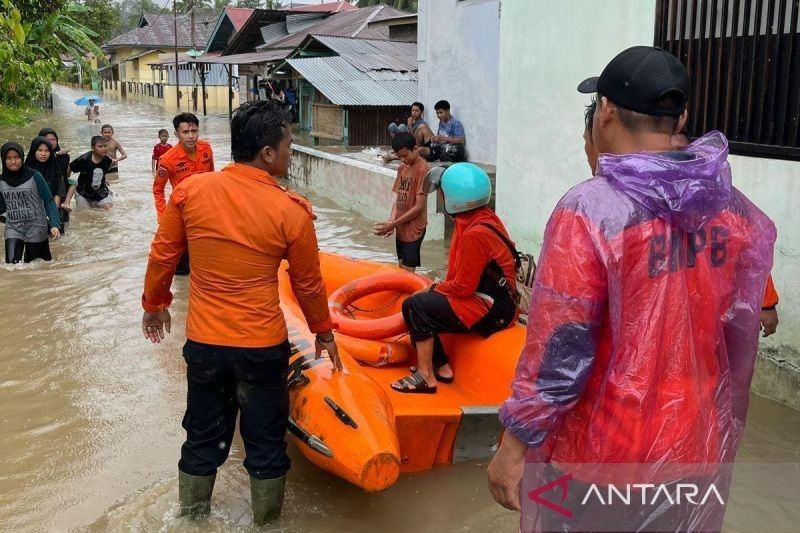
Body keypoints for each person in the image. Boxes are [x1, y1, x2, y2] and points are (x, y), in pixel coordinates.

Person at [488, 46, 776, 532]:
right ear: (680, 116)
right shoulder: (735, 211)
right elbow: (743, 328)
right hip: (697, 448)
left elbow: (561, 345)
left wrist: (513, 444)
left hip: (598, 457)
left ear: (604, 110)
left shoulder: (590, 210)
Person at [141, 100, 342, 526]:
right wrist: (324, 333)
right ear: (267, 153)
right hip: (261, 348)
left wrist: (154, 306)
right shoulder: (292, 210)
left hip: (205, 346)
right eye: (288, 146)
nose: (291, 154)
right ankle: (267, 524)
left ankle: (191, 520)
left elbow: (163, 256)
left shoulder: (191, 192)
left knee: (201, 439)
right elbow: (308, 285)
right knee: (266, 445)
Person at [391, 163, 517, 393]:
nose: (439, 196)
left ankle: (425, 376)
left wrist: (432, 289)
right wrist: (436, 289)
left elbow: (462, 288)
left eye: (442, 192)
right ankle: (442, 368)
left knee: (416, 305)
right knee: (420, 301)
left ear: (454, 197)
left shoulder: (475, 234)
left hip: (493, 309)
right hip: (493, 299)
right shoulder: (481, 218)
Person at [669, 127, 782, 338]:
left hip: (714, 323)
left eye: (681, 152)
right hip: (667, 324)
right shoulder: (645, 211)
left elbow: (753, 254)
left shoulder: (725, 208)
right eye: (668, 153)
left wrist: (766, 304)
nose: (675, 160)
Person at [153, 113, 214, 276]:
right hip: (183, 212)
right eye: (185, 132)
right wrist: (163, 215)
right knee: (182, 265)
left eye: (194, 131)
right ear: (176, 134)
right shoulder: (167, 159)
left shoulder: (206, 148)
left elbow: (212, 177)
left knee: (207, 257)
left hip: (206, 210)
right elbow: (158, 189)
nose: (191, 136)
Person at [373, 132, 430, 273]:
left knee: (407, 274)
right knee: (401, 271)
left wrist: (392, 224)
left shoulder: (423, 170)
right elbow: (398, 198)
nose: (403, 160)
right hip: (400, 227)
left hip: (414, 230)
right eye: (399, 157)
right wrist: (391, 221)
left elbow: (419, 207)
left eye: (405, 155)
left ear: (415, 149)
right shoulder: (402, 168)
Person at [0, 142, 61, 263]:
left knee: (34, 265)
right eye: (9, 158)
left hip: (37, 226)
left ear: (22, 158)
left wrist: (54, 224)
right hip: (13, 227)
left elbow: (49, 201)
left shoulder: (35, 176)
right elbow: (1, 207)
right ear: (3, 160)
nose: (13, 161)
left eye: (16, 157)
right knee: (12, 265)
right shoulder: (1, 181)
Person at [65, 135, 114, 210]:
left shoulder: (108, 160)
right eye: (100, 146)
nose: (103, 149)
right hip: (83, 191)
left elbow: (104, 172)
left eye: (105, 146)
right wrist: (66, 181)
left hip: (100, 191)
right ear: (92, 148)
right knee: (84, 213)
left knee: (108, 209)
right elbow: (70, 167)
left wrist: (104, 180)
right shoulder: (83, 159)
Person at [38, 128, 72, 234]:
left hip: (58, 194)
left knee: (60, 230)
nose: (51, 142)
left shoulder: (64, 157)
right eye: (48, 140)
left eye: (54, 139)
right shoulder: (33, 160)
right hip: (39, 200)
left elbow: (62, 177)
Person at [25, 137, 66, 213]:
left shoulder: (56, 171)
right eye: (40, 150)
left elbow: (58, 194)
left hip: (51, 209)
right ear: (34, 151)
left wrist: (52, 214)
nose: (43, 154)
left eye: (46, 151)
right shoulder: (25, 172)